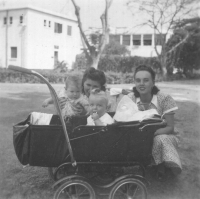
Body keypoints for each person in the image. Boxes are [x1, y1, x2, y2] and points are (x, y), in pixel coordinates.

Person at [126, 64, 182, 180]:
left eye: (146, 80)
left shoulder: (164, 98)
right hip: (138, 134)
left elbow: (170, 127)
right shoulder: (131, 98)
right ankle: (142, 163)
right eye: (138, 80)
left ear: (153, 82)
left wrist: (150, 133)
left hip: (162, 134)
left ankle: (164, 166)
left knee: (159, 139)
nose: (141, 83)